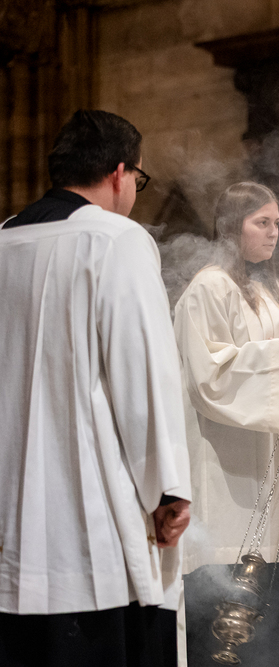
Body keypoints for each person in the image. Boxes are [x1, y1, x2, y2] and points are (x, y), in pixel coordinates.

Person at [0, 109, 191, 667]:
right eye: (138, 179)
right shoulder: (117, 240)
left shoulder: (4, 239)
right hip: (91, 524)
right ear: (120, 173)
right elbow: (144, 375)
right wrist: (168, 490)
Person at [173, 182, 279, 666]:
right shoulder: (208, 288)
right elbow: (206, 375)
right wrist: (272, 356)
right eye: (262, 222)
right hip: (231, 470)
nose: (273, 232)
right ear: (230, 227)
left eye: (277, 223)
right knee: (226, 622)